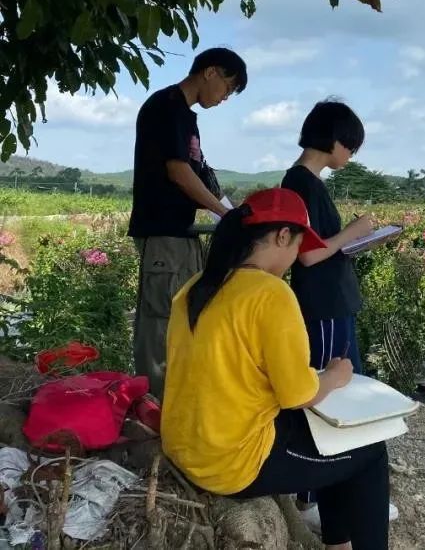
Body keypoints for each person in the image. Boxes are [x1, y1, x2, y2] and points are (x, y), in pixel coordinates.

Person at [161, 188, 389, 550]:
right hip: (230, 463)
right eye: (298, 245)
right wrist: (335, 376)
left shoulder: (194, 288)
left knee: (332, 440)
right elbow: (299, 395)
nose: (297, 256)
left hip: (183, 445)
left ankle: (338, 544)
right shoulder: (270, 294)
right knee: (371, 451)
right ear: (283, 235)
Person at [280, 100, 395, 528]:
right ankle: (321, 492)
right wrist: (355, 232)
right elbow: (308, 256)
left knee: (342, 387)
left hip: (333, 303)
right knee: (330, 391)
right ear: (334, 141)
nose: (351, 156)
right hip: (323, 305)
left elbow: (322, 247)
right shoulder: (300, 186)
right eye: (351, 147)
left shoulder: (310, 182)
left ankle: (337, 487)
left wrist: (353, 241)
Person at [127, 47, 247, 400]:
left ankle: (175, 406)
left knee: (181, 321)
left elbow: (198, 174)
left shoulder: (187, 118)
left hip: (181, 234)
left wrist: (228, 208)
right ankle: (154, 410)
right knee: (159, 323)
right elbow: (178, 172)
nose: (225, 98)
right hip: (163, 233)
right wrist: (225, 215)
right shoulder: (165, 107)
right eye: (228, 87)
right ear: (210, 72)